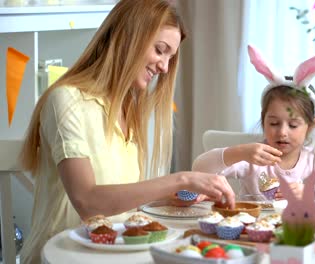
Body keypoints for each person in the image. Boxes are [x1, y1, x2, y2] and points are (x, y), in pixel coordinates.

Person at [18, 1, 234, 263]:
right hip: (65, 256)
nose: (164, 67)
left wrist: (173, 195)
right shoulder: (66, 100)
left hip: (116, 254)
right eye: (160, 50)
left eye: (170, 57)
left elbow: (120, 200)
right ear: (129, 36)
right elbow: (88, 202)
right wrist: (181, 180)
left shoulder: (128, 110)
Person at [192, 45, 315, 202]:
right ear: (263, 121)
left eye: (293, 125)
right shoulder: (252, 157)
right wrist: (239, 151)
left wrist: (310, 192)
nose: (282, 132)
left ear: (311, 125)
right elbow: (199, 169)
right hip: (252, 228)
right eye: (274, 123)